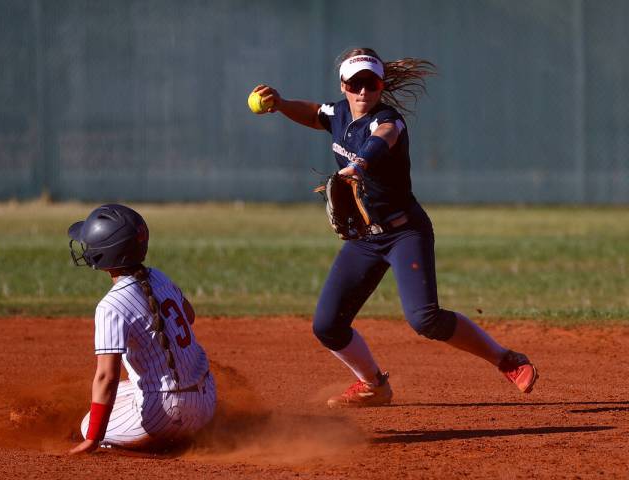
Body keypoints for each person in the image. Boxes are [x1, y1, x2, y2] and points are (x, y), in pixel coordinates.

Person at [251, 48, 538, 407]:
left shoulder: (389, 120)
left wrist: (357, 166)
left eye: (370, 83)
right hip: (364, 239)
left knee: (425, 319)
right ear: (343, 85)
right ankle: (373, 384)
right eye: (355, 83)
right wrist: (280, 103)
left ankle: (506, 359)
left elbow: (383, 136)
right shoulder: (337, 113)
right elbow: (313, 113)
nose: (363, 92)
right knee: (327, 326)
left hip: (405, 232)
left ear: (381, 85)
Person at [66, 203, 215, 453]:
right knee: (129, 389)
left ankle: (154, 443)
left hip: (166, 415)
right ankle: (188, 428)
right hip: (208, 400)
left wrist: (92, 439)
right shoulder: (158, 276)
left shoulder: (111, 305)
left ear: (103, 254)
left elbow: (106, 377)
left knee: (87, 423)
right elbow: (189, 315)